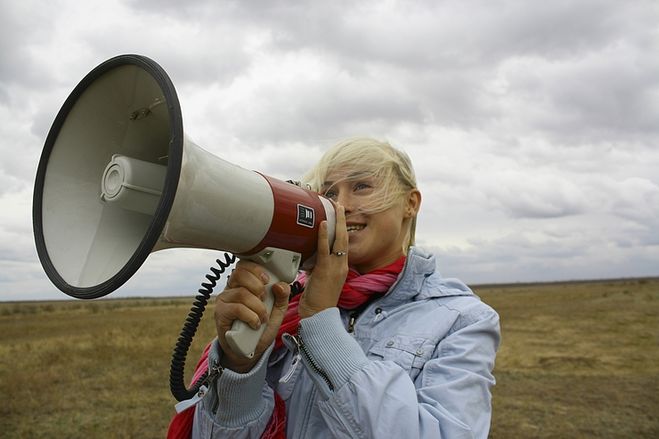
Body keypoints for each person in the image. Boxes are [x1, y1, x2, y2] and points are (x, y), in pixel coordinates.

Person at [169, 138, 500, 438]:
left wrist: (323, 323)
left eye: (361, 186)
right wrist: (240, 369)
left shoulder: (463, 320)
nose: (341, 206)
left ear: (411, 203)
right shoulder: (286, 299)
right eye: (328, 193)